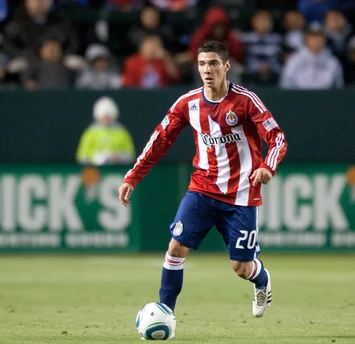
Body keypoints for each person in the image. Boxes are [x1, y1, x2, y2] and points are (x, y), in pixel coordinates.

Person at [118, 41, 287, 319]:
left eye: (213, 64)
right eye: (202, 64)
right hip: (203, 189)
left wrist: (268, 167)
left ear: (226, 66)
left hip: (242, 195)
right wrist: (132, 177)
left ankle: (261, 279)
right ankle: (165, 313)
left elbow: (277, 137)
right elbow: (160, 140)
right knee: (175, 246)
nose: (207, 70)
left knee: (241, 267)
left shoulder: (246, 101)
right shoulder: (188, 103)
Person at [76, 96, 136, 166]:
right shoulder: (90, 133)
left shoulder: (122, 132)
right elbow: (81, 156)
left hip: (118, 172)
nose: (106, 119)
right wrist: (96, 157)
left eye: (109, 116)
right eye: (104, 117)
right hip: (95, 172)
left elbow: (131, 154)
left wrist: (119, 157)